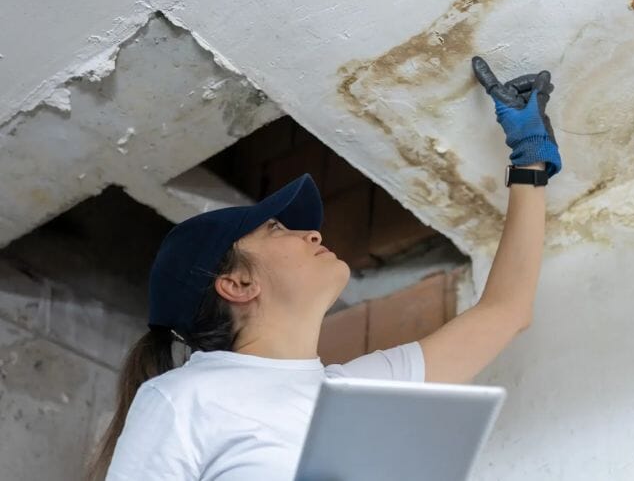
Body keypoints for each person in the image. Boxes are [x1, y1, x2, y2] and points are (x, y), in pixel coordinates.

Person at [87, 56, 563, 480]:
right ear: (237, 283)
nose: (313, 234)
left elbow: (506, 312)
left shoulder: (352, 396)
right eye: (276, 228)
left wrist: (530, 161)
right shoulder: (183, 399)